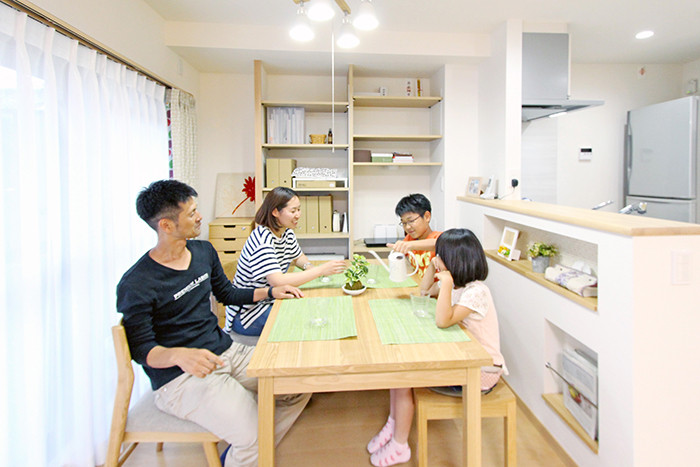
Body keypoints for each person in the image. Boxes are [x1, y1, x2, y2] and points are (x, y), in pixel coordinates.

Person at [116, 179, 311, 467]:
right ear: (166, 225)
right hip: (180, 377)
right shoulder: (137, 283)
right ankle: (252, 444)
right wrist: (179, 355)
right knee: (253, 433)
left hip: (225, 351)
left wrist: (271, 292)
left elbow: (228, 294)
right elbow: (141, 349)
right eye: (191, 213)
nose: (200, 217)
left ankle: (248, 449)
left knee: (299, 383)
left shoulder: (203, 252)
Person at [366, 228, 507, 467]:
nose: (436, 258)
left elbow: (443, 320)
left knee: (402, 375)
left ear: (455, 261)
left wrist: (446, 283)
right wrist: (433, 268)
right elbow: (424, 292)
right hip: (463, 357)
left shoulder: (476, 292)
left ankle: (400, 444)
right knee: (398, 372)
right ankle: (394, 421)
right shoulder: (458, 286)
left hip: (482, 371)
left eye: (440, 256)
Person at [226, 186, 346, 340]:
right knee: (309, 320)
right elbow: (277, 281)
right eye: (293, 211)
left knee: (316, 309)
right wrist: (320, 271)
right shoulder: (262, 239)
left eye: (299, 209)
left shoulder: (286, 232)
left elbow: (297, 256)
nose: (298, 215)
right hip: (249, 313)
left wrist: (309, 267)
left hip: (271, 299)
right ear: (275, 212)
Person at [388, 193, 441, 279]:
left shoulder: (438, 237)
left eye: (411, 221)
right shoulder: (410, 238)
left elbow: (439, 244)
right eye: (404, 223)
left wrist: (410, 245)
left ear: (427, 217)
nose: (407, 227)